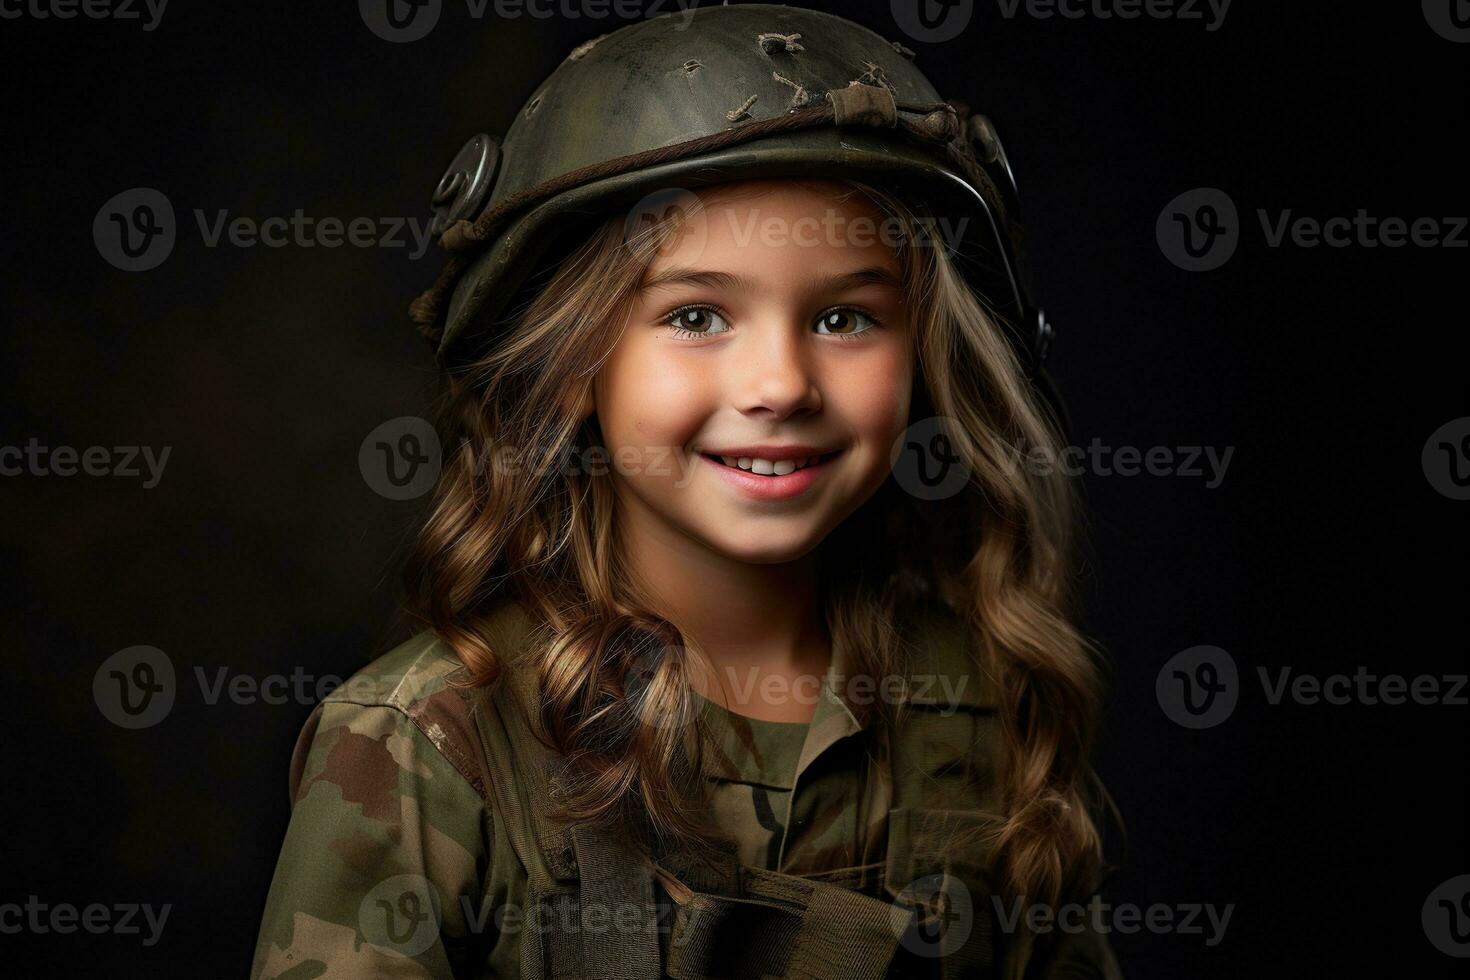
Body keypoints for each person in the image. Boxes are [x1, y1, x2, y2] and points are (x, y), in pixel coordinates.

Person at [252, 5, 1123, 978]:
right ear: (575, 359)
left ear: (923, 349)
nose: (782, 383)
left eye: (844, 315)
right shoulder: (428, 742)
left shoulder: (977, 708)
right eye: (698, 313)